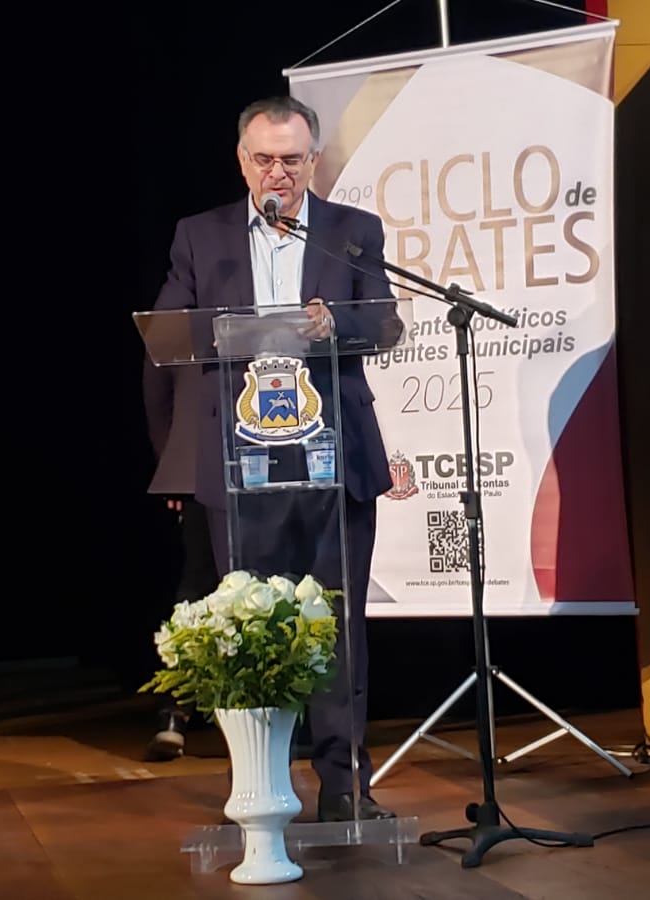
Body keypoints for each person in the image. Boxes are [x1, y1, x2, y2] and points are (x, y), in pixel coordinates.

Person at [151, 96, 403, 822]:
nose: (278, 173)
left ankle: (344, 787)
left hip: (333, 459)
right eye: (264, 159)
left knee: (337, 628)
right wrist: (222, 329)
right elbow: (168, 331)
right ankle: (261, 784)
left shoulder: (351, 232)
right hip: (244, 467)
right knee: (250, 626)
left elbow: (384, 322)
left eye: (292, 160)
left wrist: (338, 322)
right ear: (242, 162)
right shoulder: (201, 236)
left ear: (313, 161)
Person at [141, 352, 220, 761]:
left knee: (262, 585)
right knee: (198, 588)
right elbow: (158, 392)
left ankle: (265, 714)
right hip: (201, 468)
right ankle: (176, 710)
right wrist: (173, 466)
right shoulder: (179, 311)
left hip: (266, 457)